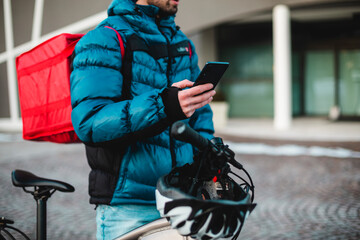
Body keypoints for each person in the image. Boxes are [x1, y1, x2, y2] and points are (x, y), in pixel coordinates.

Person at [70, 0, 215, 239]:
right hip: (130, 207)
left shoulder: (183, 45)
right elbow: (91, 123)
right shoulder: (105, 39)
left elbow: (200, 120)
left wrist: (207, 163)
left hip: (183, 201)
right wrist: (165, 105)